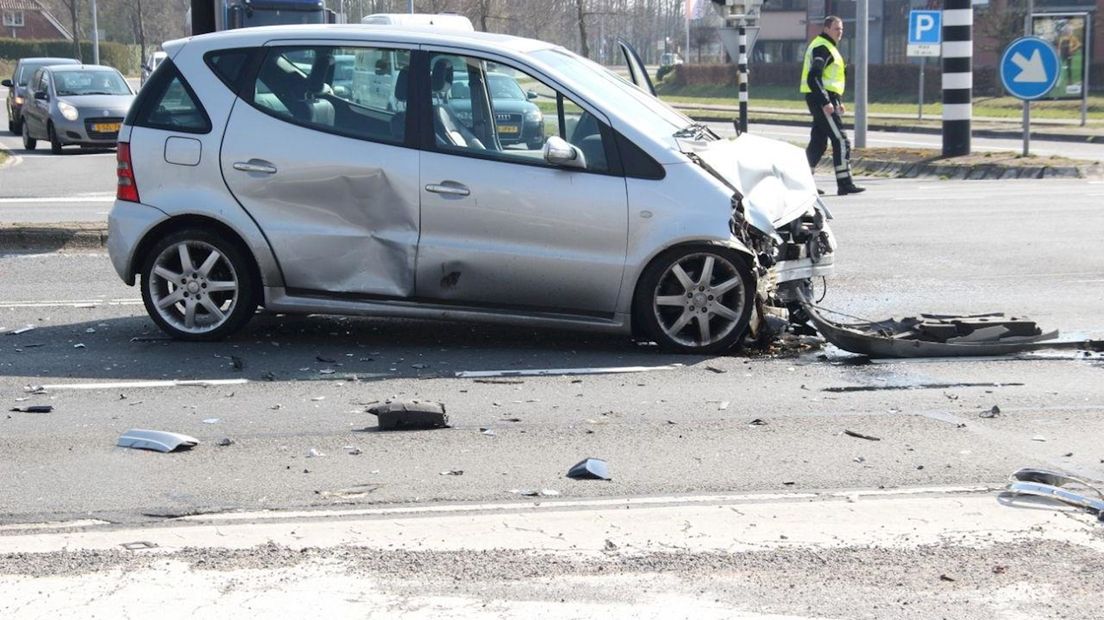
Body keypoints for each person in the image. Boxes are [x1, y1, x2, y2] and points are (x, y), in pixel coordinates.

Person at [800, 16, 865, 196]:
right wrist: (826, 101)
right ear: (827, 28)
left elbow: (829, 79)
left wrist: (837, 101)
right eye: (837, 28)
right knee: (841, 140)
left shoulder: (828, 47)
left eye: (842, 29)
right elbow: (814, 77)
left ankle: (802, 184)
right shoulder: (822, 47)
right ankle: (845, 183)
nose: (840, 32)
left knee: (818, 142)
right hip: (820, 98)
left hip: (825, 98)